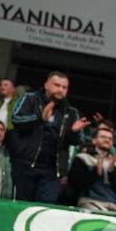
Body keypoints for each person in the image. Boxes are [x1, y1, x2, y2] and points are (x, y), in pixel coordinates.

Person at [10, 71, 88, 202]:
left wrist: (74, 132)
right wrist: (39, 118)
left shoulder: (71, 112)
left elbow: (78, 141)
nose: (61, 90)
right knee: (21, 206)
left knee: (44, 209)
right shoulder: (30, 98)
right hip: (25, 165)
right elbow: (16, 119)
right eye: (57, 85)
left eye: (64, 87)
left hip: (52, 171)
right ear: (46, 85)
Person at [67, 123, 116, 212]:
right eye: (103, 137)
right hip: (89, 203)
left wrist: (113, 172)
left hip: (114, 206)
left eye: (110, 139)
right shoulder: (82, 158)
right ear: (94, 140)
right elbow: (74, 183)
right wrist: (95, 172)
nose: (107, 140)